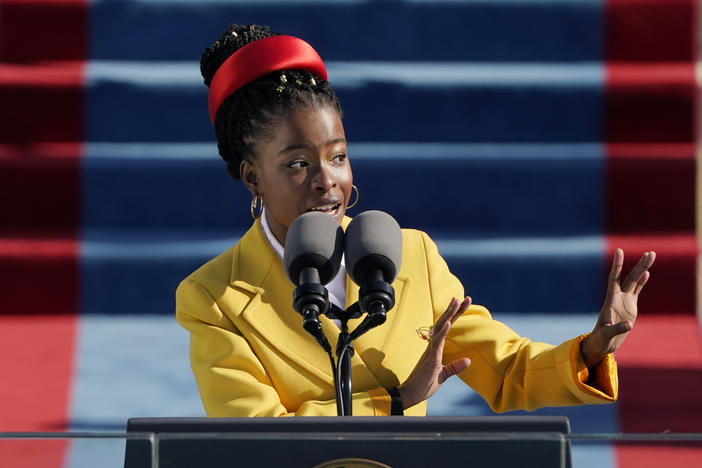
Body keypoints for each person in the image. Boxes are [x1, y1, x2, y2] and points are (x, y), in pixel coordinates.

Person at [176, 23, 656, 417]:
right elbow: (256, 441)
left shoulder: (410, 257)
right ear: (252, 178)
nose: (328, 181)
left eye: (338, 156)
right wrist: (397, 402)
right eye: (298, 164)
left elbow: (506, 370)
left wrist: (593, 350)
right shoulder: (214, 298)